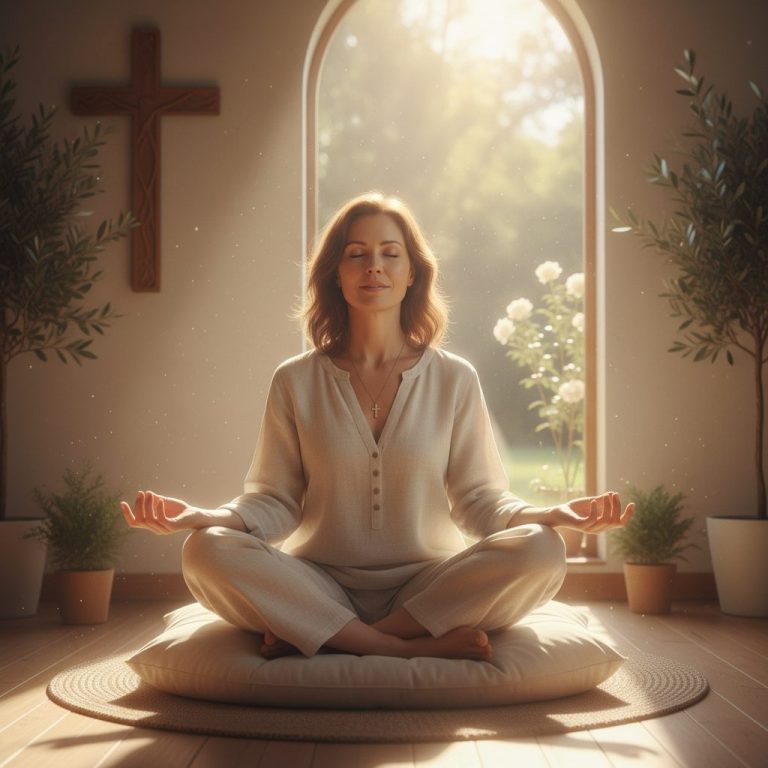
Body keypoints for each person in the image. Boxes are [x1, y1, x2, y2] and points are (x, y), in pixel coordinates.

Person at [121, 192, 633, 662]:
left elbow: (480, 501)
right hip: (318, 582)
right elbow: (273, 503)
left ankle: (333, 636)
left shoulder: (455, 378)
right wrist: (205, 515)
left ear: (412, 272)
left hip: (429, 587)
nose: (374, 267)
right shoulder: (294, 380)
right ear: (335, 274)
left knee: (543, 548)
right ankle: (401, 648)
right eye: (356, 254)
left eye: (391, 253)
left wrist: (550, 513)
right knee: (205, 549)